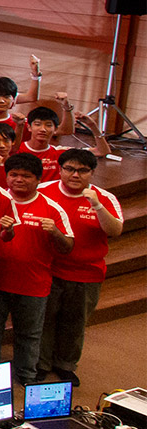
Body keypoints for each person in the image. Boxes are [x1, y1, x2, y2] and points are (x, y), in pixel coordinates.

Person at [0, 153, 74, 384]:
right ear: (6, 176)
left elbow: (68, 246)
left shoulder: (52, 208)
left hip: (33, 284)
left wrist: (55, 232)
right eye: (14, 174)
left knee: (29, 334)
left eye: (26, 176)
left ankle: (27, 375)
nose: (19, 180)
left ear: (38, 179)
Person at [38, 148, 126, 383]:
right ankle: (41, 363)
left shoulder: (104, 198)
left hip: (87, 274)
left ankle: (65, 365)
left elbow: (115, 231)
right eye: (69, 169)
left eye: (82, 170)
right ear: (60, 169)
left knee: (75, 323)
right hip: (48, 270)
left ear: (92, 173)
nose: (75, 175)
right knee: (44, 320)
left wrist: (97, 206)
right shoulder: (43, 192)